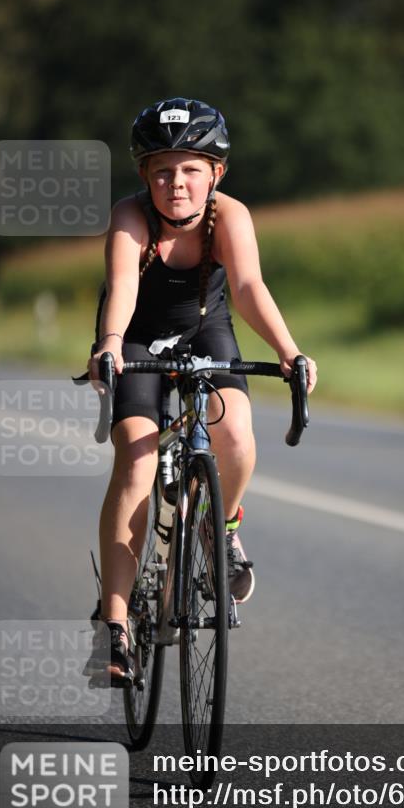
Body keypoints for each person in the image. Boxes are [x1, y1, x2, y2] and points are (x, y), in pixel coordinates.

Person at [88, 97, 317, 684]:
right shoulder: (131, 216)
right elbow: (121, 289)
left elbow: (246, 286)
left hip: (205, 325)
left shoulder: (230, 216)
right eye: (162, 170)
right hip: (135, 334)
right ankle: (115, 623)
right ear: (145, 175)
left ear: (215, 173)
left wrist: (289, 351)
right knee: (137, 461)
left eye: (191, 169)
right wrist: (110, 345)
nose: (176, 184)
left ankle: (223, 529)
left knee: (235, 434)